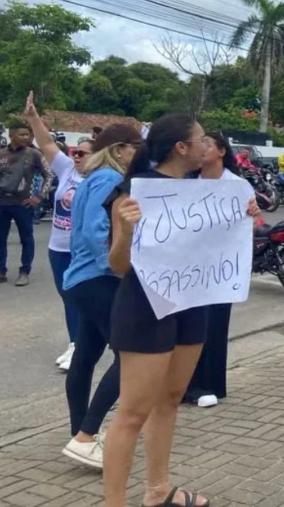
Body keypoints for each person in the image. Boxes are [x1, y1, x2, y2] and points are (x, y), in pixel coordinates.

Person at [101, 113, 259, 507]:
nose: (209, 146)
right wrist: (128, 231)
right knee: (132, 414)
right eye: (202, 139)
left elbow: (212, 246)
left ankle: (157, 490)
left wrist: (244, 218)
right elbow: (118, 266)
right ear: (181, 148)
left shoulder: (201, 192)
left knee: (170, 399)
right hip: (145, 307)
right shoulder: (134, 192)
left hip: (191, 303)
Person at [60, 124, 142, 468]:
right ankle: (87, 435)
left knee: (86, 357)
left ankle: (81, 434)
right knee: (132, 356)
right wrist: (121, 269)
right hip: (100, 279)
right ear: (121, 149)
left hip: (80, 280)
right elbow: (98, 234)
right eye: (136, 147)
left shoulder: (90, 180)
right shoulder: (110, 180)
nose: (140, 153)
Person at [183, 131, 260, 409]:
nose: (202, 149)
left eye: (208, 144)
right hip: (190, 267)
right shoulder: (187, 182)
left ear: (222, 152)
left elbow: (252, 224)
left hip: (221, 269)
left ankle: (210, 385)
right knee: (188, 326)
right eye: (199, 143)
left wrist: (251, 216)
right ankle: (185, 385)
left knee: (215, 325)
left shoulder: (238, 186)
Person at [21, 92, 89, 370]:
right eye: (75, 152)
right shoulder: (67, 169)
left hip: (83, 250)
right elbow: (47, 142)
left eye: (84, 153)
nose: (77, 157)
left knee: (81, 296)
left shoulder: (104, 177)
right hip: (58, 248)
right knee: (66, 296)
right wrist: (33, 118)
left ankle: (82, 346)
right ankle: (75, 343)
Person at [0, 121, 52, 286]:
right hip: (1, 204)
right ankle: (0, 271)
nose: (26, 138)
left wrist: (39, 197)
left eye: (27, 135)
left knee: (26, 239)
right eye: (21, 134)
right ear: (11, 135)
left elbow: (49, 175)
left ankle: (24, 271)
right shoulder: (0, 154)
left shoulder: (34, 154)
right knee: (0, 240)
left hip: (24, 205)